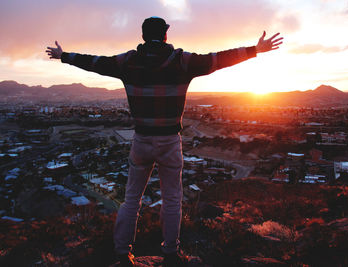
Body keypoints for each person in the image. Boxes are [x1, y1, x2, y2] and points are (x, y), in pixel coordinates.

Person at [46, 16, 283, 267]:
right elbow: (218, 59)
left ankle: (122, 253)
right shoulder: (182, 61)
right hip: (170, 141)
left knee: (131, 199)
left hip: (141, 140)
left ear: (143, 36)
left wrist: (64, 56)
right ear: (166, 35)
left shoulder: (127, 62)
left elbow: (94, 63)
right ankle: (171, 253)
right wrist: (255, 50)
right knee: (172, 199)